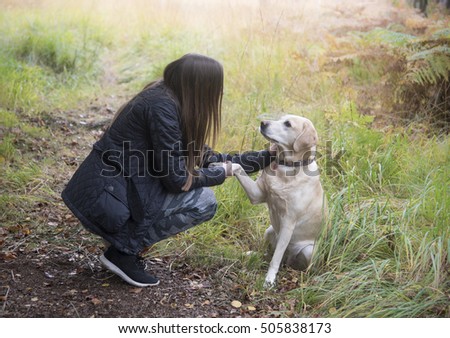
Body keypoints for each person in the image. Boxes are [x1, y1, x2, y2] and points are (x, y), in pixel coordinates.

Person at [61, 53, 273, 287]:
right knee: (204, 202)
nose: (219, 95)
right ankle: (122, 251)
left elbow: (204, 156)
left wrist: (265, 158)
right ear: (199, 87)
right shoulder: (161, 108)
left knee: (199, 193)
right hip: (107, 197)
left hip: (118, 191)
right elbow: (177, 180)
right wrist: (222, 172)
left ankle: (124, 246)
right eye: (215, 89)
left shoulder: (168, 98)